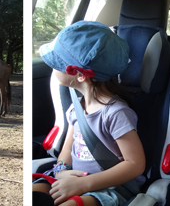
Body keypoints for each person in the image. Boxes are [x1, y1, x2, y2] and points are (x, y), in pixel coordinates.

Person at [33, 21, 146, 206]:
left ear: (80, 75)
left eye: (58, 63)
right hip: (70, 179)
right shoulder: (76, 107)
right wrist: (61, 171)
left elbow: (135, 164)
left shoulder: (116, 114)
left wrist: (83, 184)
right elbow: (68, 149)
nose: (53, 68)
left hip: (105, 188)